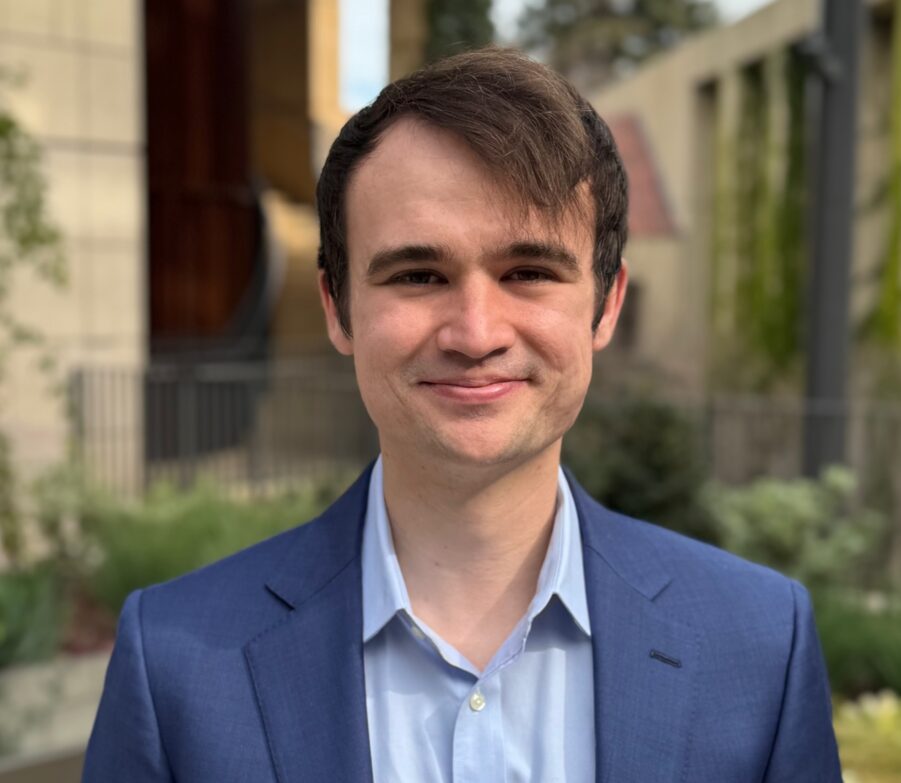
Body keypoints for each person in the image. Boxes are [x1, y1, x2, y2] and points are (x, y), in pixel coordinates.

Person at [83, 48, 842, 782]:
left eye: (528, 272)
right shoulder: (176, 663)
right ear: (337, 308)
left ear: (605, 304)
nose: (475, 333)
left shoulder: (757, 645)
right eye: (418, 274)